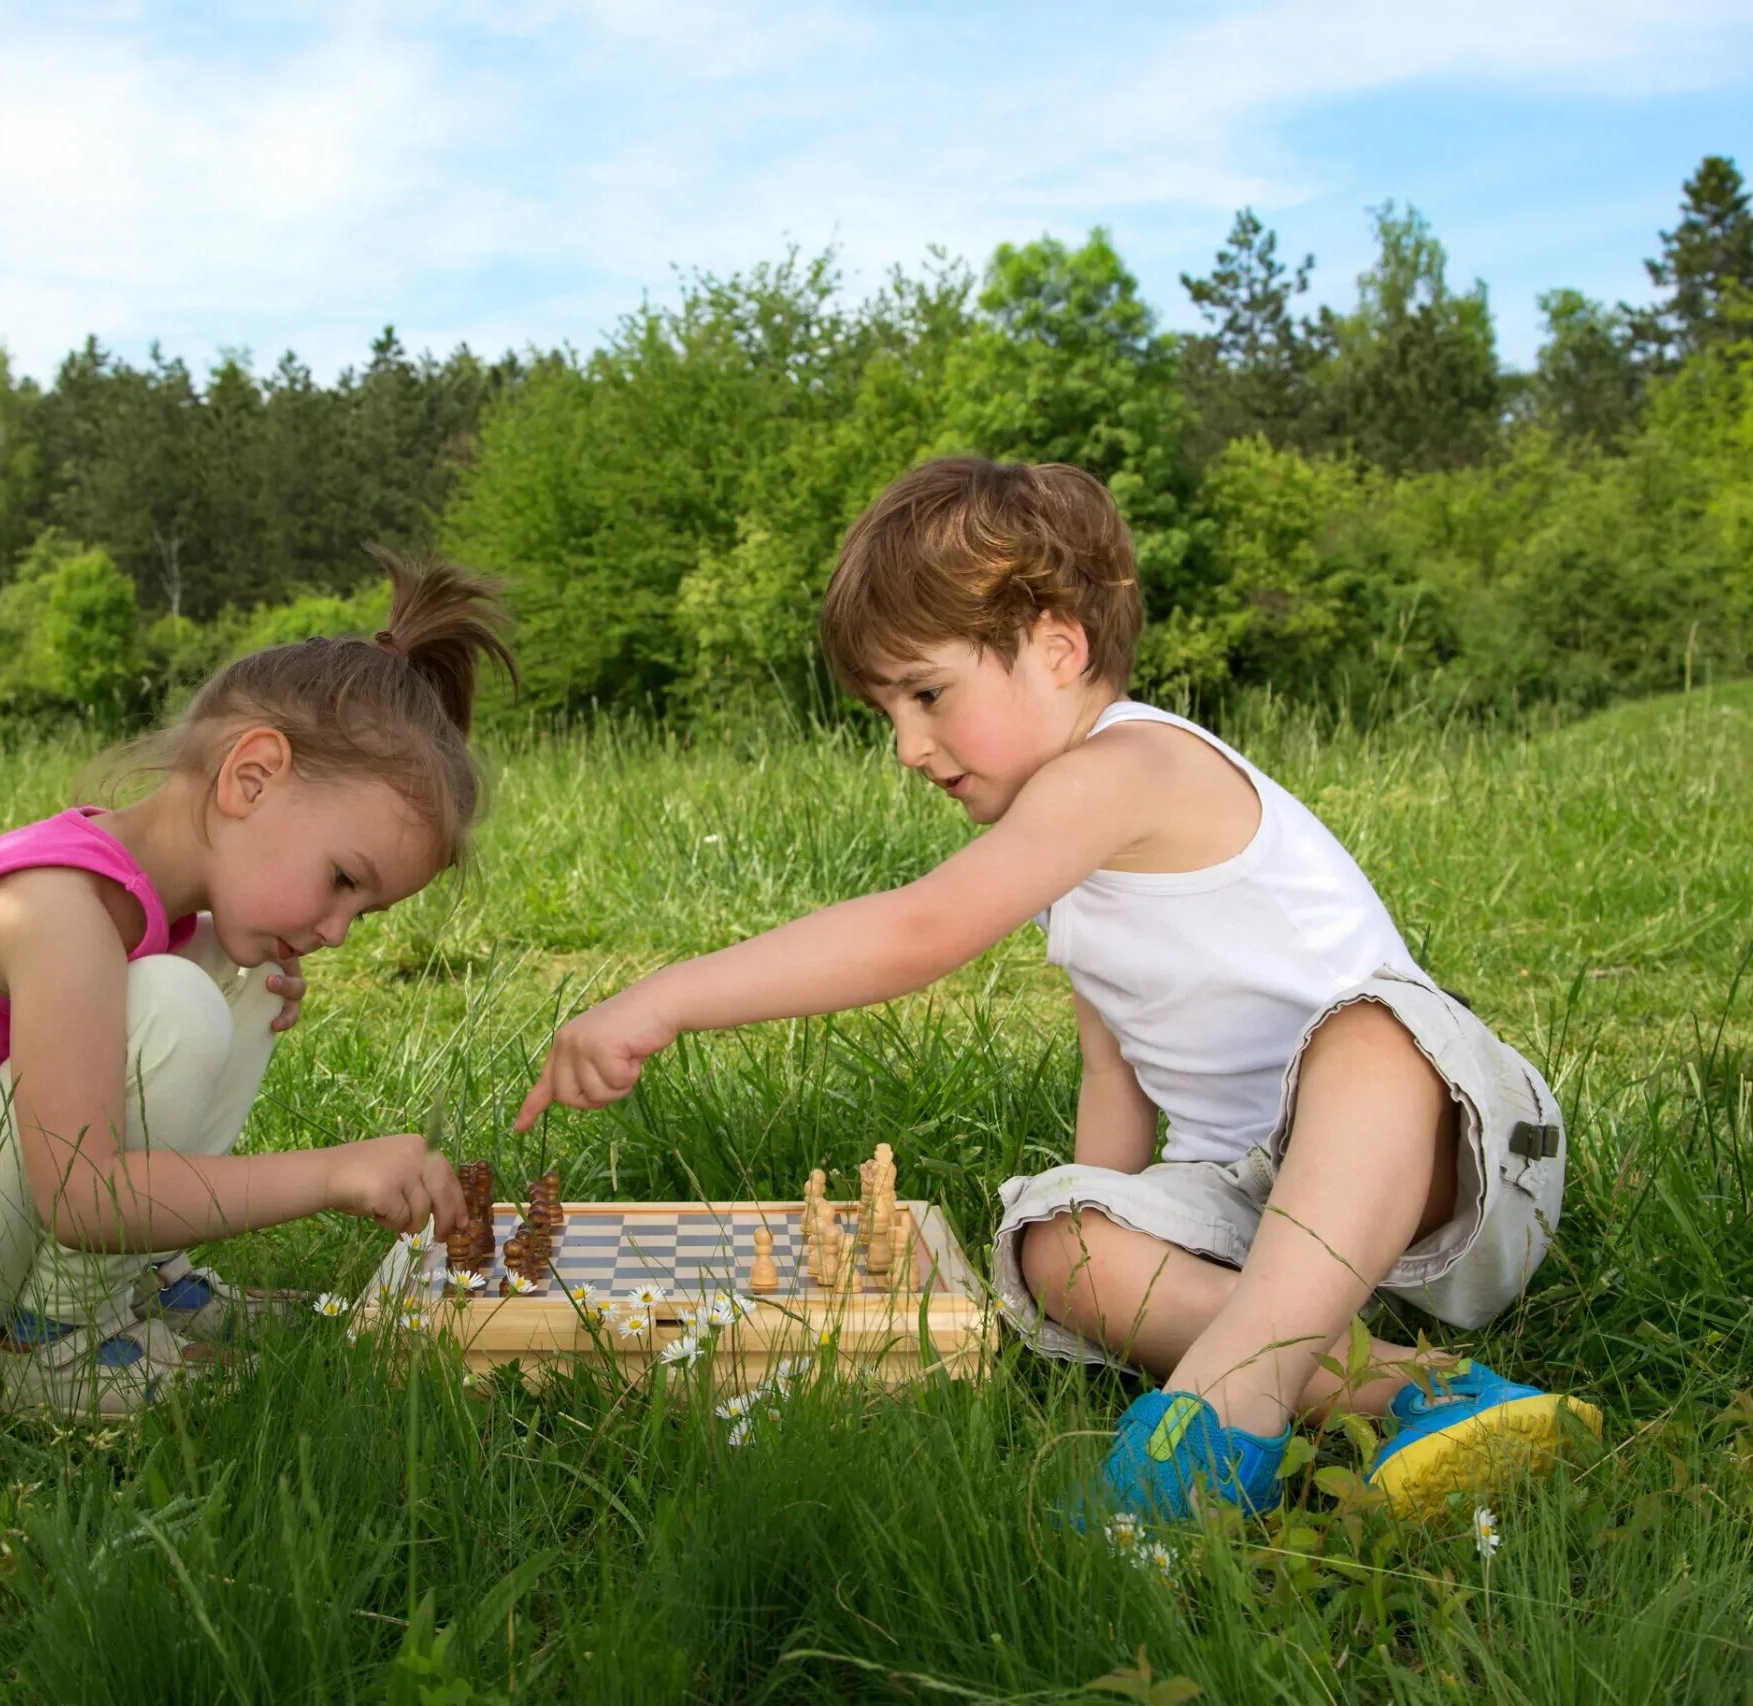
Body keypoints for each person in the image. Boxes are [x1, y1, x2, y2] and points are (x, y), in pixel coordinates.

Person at [515, 458, 1596, 1520]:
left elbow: (918, 930)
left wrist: (662, 997)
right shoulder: (1076, 866)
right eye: (885, 711)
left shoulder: (1124, 769)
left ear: (1057, 646)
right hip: (1269, 1210)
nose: (906, 745)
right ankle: (1418, 1391)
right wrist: (1103, 1227)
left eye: (927, 693)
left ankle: (1235, 1406)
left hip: (1441, 1163)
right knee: (1052, 1238)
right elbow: (1113, 1065)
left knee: (1368, 1035)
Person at [0, 556, 506, 1417]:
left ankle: (144, 1287)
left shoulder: (145, 907)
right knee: (174, 1001)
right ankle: (59, 1349)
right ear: (252, 777)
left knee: (244, 982)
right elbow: (82, 1197)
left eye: (366, 910)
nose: (339, 930)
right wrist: (334, 1173)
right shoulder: (59, 913)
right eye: (344, 879)